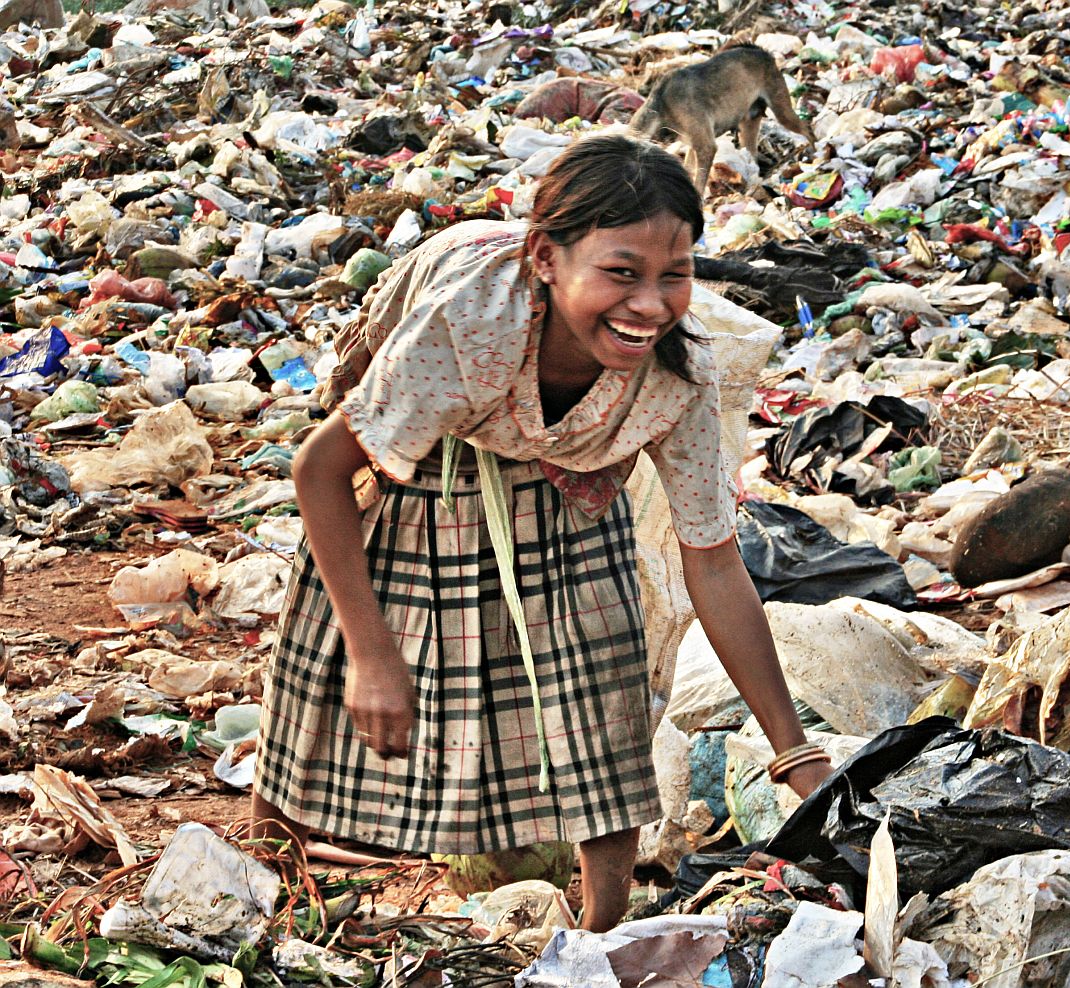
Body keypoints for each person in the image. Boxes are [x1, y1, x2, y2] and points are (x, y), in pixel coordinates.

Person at [250, 134, 833, 933]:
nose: (650, 305)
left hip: (572, 466)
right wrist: (372, 651)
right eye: (621, 273)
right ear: (546, 258)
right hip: (435, 430)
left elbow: (715, 563)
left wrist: (794, 751)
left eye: (676, 276)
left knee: (599, 681)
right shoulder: (465, 327)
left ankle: (598, 937)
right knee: (329, 664)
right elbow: (321, 471)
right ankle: (263, 888)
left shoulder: (674, 379)